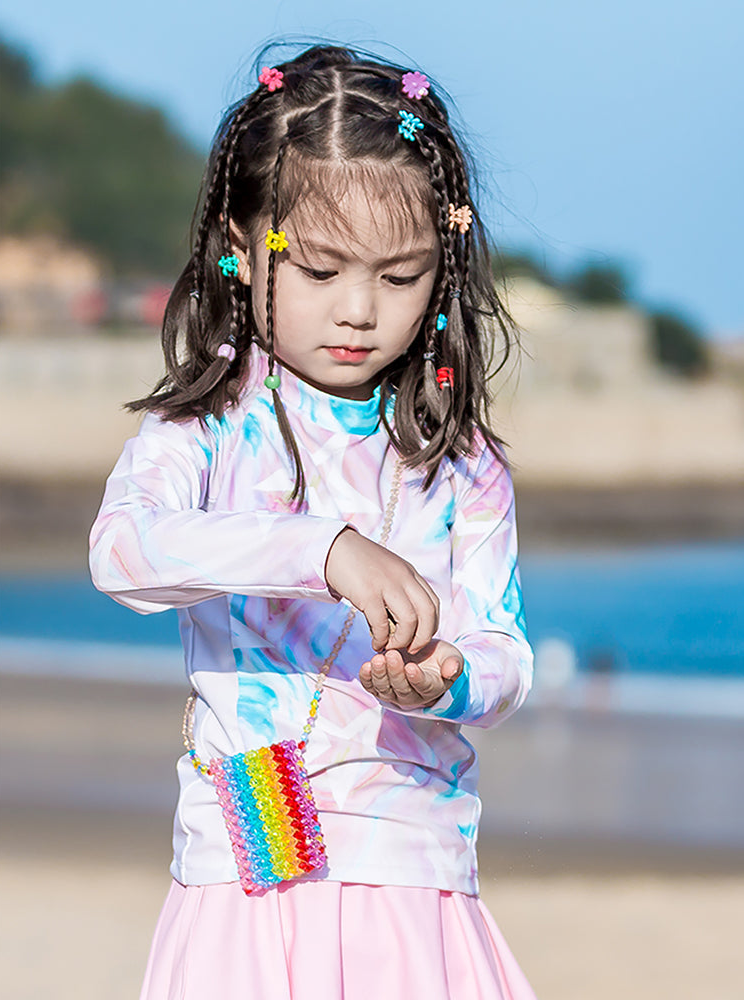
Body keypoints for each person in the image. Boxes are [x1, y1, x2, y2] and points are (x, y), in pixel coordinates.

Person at [89, 44, 537, 1000]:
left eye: (402, 277)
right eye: (321, 269)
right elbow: (122, 551)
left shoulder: (460, 462)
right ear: (243, 245)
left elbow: (507, 654)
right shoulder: (209, 429)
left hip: (414, 874)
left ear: (444, 268)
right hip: (247, 873)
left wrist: (447, 681)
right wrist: (322, 549)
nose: (360, 311)